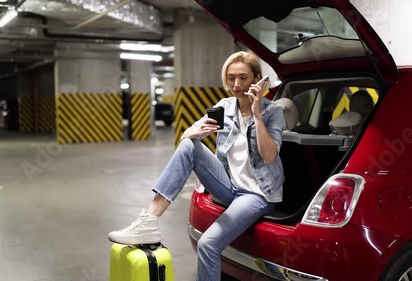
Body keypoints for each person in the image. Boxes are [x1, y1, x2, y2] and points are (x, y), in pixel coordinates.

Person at [108, 51, 286, 281]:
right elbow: (188, 138)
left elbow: (269, 156)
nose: (237, 84)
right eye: (231, 78)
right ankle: (150, 220)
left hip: (257, 194)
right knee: (188, 145)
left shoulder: (273, 112)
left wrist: (257, 115)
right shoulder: (225, 107)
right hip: (229, 185)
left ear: (256, 79)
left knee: (208, 244)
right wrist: (191, 133)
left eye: (243, 77)